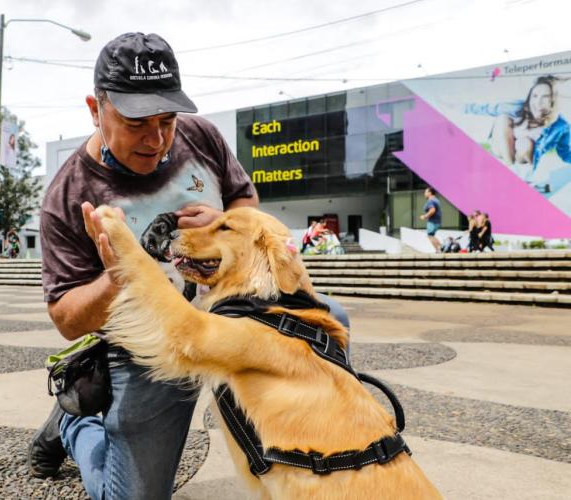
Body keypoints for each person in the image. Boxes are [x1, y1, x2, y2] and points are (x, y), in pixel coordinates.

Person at [30, 32, 352, 500]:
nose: (157, 139)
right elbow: (65, 318)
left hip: (232, 317)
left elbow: (246, 200)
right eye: (137, 121)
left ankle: (318, 460)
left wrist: (225, 222)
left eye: (167, 120)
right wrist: (119, 279)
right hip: (150, 348)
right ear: (95, 109)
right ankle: (76, 424)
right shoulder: (66, 195)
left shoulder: (200, 136)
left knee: (330, 322)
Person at [419, 187, 442, 252]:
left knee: (430, 235)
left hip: (433, 221)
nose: (424, 194)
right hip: (437, 221)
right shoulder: (436, 200)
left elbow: (432, 210)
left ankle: (439, 249)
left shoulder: (430, 201)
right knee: (431, 235)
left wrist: (425, 216)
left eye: (425, 192)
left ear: (430, 193)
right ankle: (441, 248)